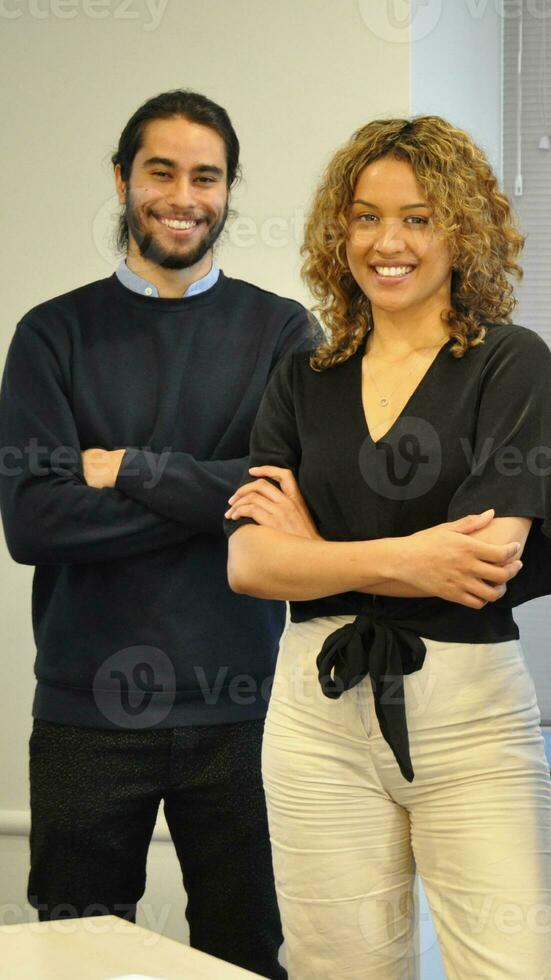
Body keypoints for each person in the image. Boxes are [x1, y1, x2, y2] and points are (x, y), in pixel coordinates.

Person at [223, 115, 551, 979]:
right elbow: (249, 564)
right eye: (364, 216)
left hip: (470, 715)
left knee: (512, 968)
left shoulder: (510, 363)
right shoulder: (301, 380)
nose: (387, 242)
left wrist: (316, 551)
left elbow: (485, 559)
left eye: (418, 218)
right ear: (337, 231)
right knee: (333, 967)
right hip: (315, 712)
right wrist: (407, 556)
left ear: (461, 231)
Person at [0, 89, 316, 978]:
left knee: (248, 953)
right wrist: (214, 496)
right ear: (122, 179)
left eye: (206, 177)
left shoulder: (282, 334)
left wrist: (130, 467)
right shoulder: (51, 336)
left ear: (229, 190)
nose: (184, 196)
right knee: (74, 958)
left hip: (243, 709)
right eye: (161, 171)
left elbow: (293, 504)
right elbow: (34, 519)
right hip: (82, 713)